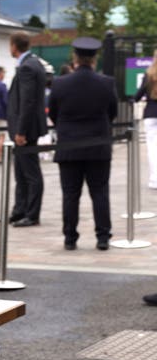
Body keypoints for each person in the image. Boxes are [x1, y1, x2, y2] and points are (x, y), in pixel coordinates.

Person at [48, 37, 118, 251]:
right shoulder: (107, 83)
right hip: (98, 146)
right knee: (100, 193)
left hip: (69, 146)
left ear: (75, 58)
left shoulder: (59, 83)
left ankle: (70, 237)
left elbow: (53, 113)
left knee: (70, 194)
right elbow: (112, 112)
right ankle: (103, 237)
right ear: (94, 59)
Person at [7, 31, 47, 226]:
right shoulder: (32, 63)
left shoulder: (27, 67)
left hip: (26, 130)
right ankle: (19, 210)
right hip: (26, 129)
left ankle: (31, 214)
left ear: (14, 46)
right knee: (21, 173)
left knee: (30, 173)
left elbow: (27, 102)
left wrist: (20, 131)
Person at [135, 49, 157, 190]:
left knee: (152, 148)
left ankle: (154, 179)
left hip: (151, 113)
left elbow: (138, 96)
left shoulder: (148, 75)